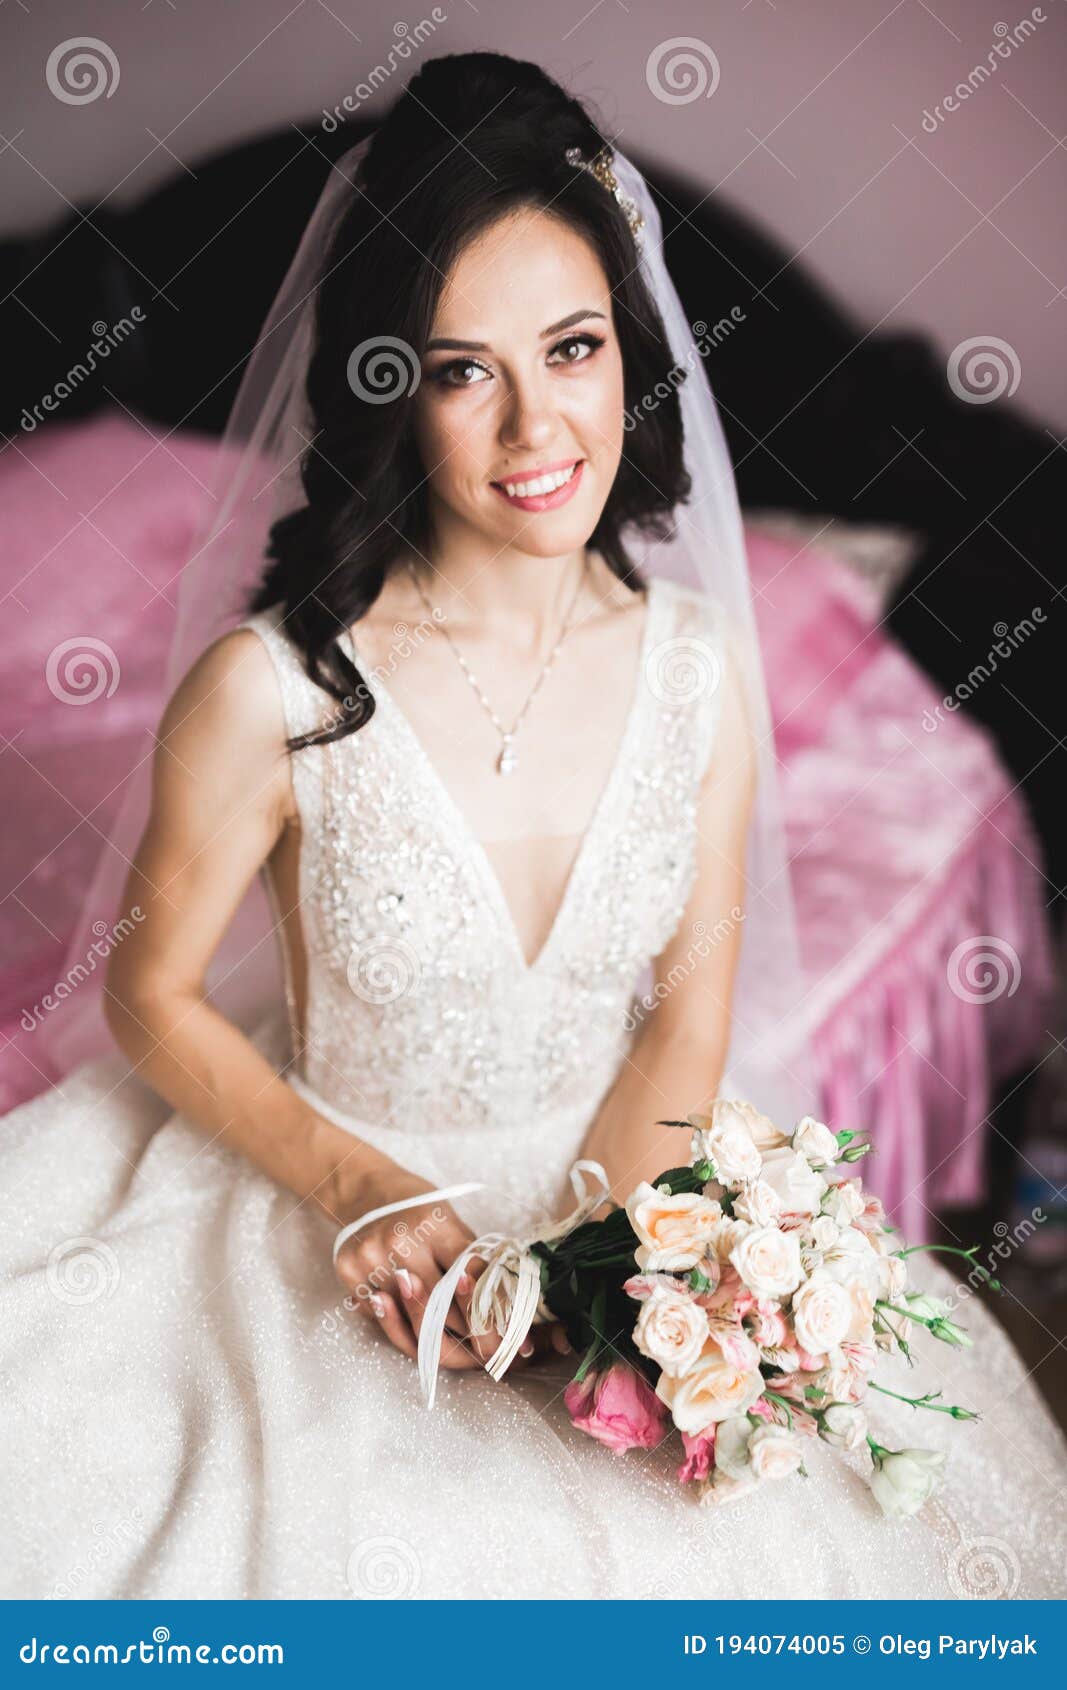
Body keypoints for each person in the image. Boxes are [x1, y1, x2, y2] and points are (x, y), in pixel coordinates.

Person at [3, 51, 1064, 1601]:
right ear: (387, 385)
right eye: (459, 369)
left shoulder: (701, 673)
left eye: (569, 348)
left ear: (630, 360)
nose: (530, 427)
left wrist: (597, 1262)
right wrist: (356, 1183)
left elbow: (690, 1014)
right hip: (334, 1183)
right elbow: (146, 994)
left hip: (618, 1174)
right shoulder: (272, 688)